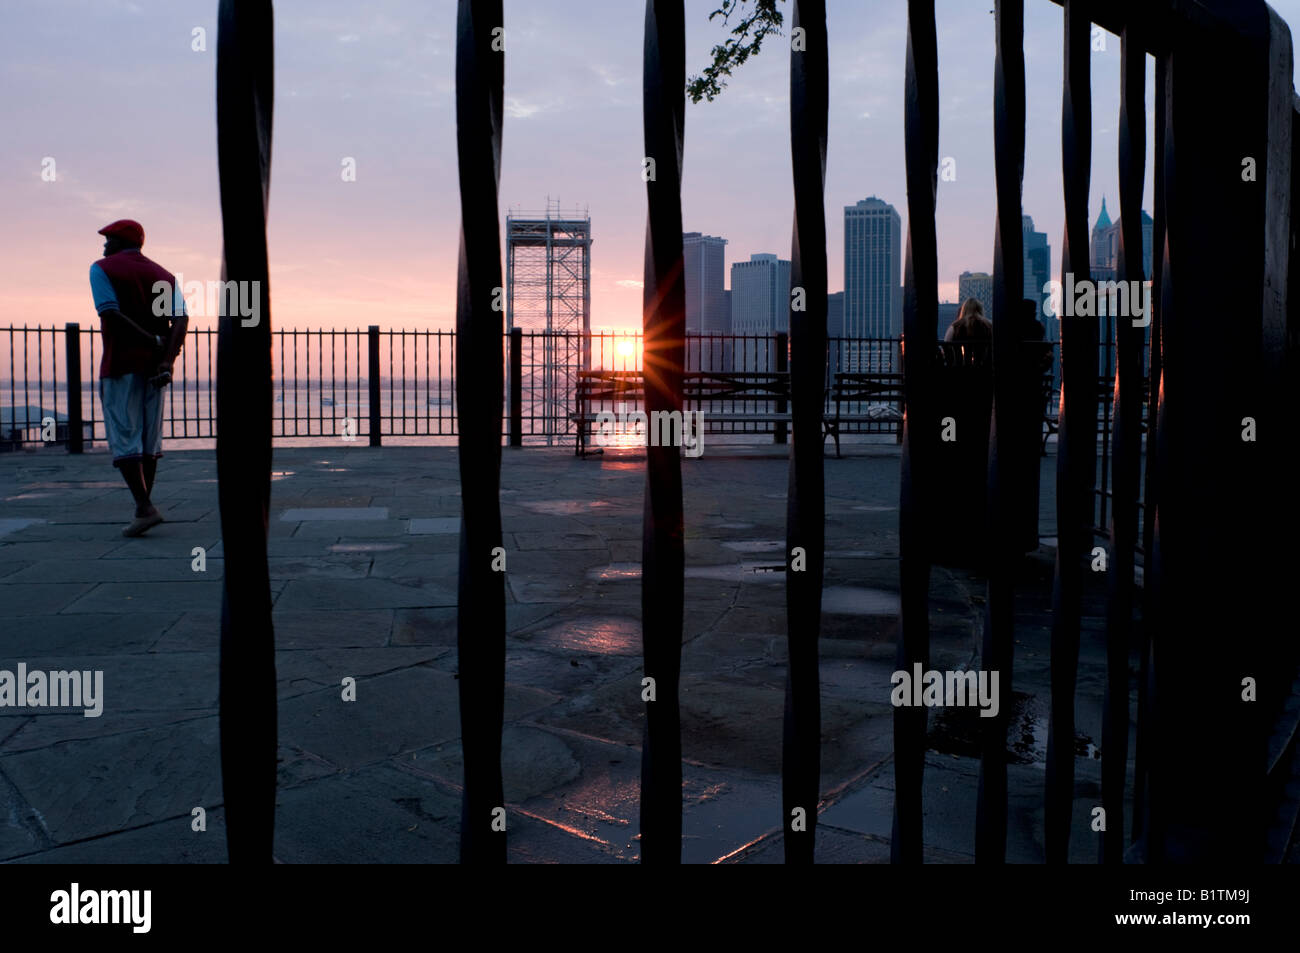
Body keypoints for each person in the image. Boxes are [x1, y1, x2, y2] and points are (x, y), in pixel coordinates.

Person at [89, 219, 187, 537]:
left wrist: (151, 341)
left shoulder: (103, 268)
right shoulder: (163, 275)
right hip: (155, 368)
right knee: (149, 439)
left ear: (120, 241)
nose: (104, 246)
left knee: (123, 435)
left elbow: (111, 314)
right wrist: (167, 359)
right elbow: (181, 318)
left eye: (108, 239)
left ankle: (144, 507)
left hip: (120, 364)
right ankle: (143, 506)